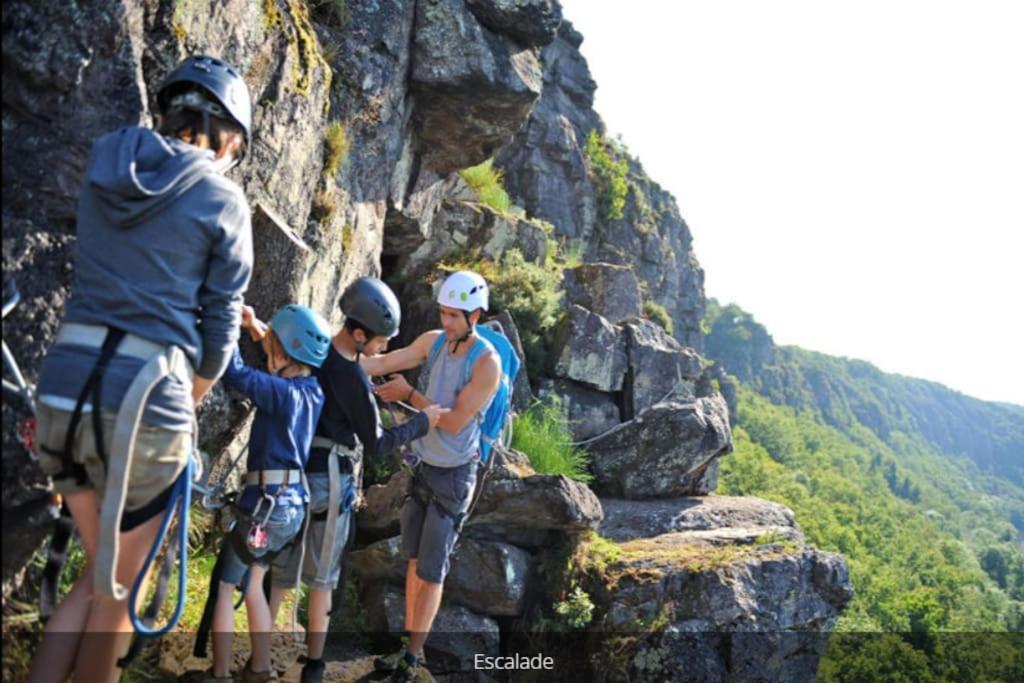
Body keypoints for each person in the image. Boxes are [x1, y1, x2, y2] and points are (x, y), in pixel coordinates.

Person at [27, 55, 253, 683]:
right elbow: (217, 338)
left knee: (101, 579)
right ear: (230, 137)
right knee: (119, 592)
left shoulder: (108, 158)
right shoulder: (222, 198)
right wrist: (186, 404)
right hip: (148, 398)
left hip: (65, 390)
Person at [267, 277, 448, 683]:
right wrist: (422, 422)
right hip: (331, 481)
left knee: (282, 570)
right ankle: (313, 663)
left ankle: (260, 655)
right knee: (323, 578)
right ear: (360, 334)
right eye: (382, 341)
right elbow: (378, 442)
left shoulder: (312, 351)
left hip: (293, 474)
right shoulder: (352, 378)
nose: (384, 348)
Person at [363, 271, 501, 683]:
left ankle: (413, 657)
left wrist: (408, 396)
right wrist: (329, 359)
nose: (446, 322)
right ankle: (409, 647)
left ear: (475, 315)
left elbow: (456, 422)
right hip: (423, 468)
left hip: (454, 477)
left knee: (431, 570)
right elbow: (384, 362)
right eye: (443, 312)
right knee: (412, 562)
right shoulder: (434, 342)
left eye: (454, 316)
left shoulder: (486, 363)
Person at [204, 303, 330, 683]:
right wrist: (255, 327)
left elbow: (236, 372)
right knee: (254, 582)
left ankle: (222, 673)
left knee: (227, 585)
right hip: (290, 508)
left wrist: (224, 322)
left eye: (271, 344)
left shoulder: (280, 393)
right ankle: (259, 669)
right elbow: (278, 362)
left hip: (263, 504)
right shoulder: (312, 391)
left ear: (284, 353)